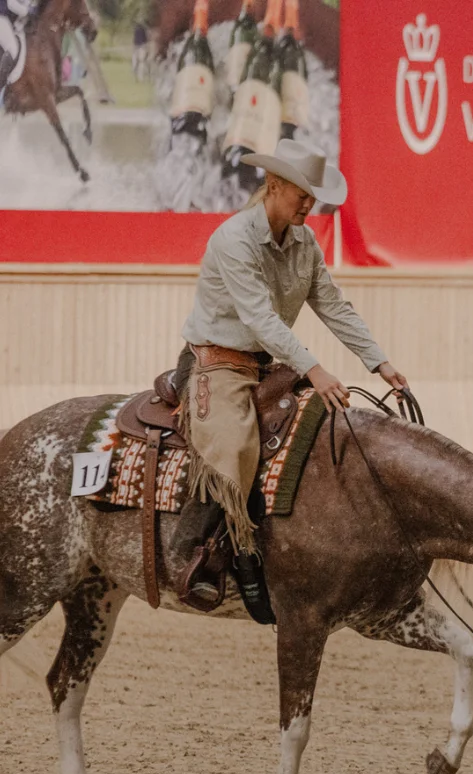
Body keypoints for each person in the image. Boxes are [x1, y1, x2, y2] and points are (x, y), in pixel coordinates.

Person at [173, 138, 409, 616]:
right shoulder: (233, 239)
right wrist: (315, 370)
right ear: (273, 184)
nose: (309, 202)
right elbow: (260, 319)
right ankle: (198, 553)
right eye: (301, 192)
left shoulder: (305, 243)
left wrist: (378, 361)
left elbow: (332, 305)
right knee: (234, 446)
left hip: (268, 365)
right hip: (217, 363)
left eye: (313, 194)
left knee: (323, 434)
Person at [0, 0, 33, 91]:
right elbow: (11, 4)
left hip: (6, 18)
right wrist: (27, 11)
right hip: (1, 17)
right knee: (12, 48)